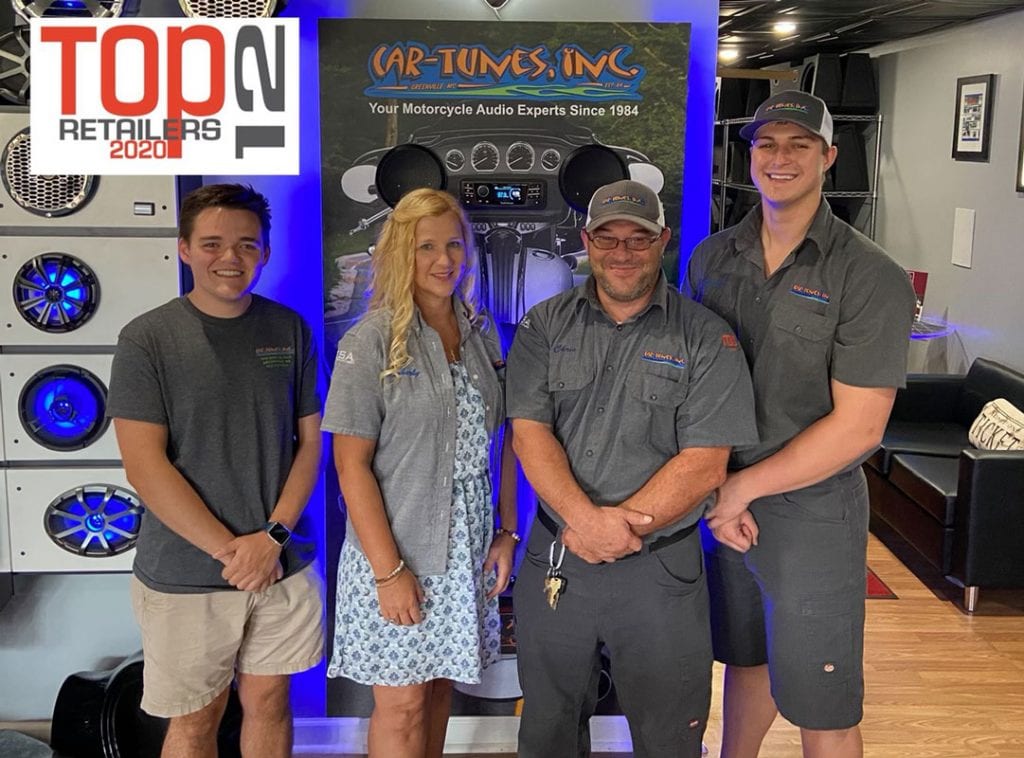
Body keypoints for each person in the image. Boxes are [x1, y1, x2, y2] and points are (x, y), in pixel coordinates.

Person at [685, 90, 917, 758]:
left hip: (811, 515)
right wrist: (715, 490)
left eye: (799, 145)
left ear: (829, 157)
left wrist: (741, 490)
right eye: (766, 144)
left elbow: (860, 427)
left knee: (824, 696)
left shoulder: (869, 276)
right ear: (749, 155)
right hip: (721, 504)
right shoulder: (712, 259)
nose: (780, 158)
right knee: (744, 658)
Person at [506, 179, 758, 758]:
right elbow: (529, 433)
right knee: (546, 728)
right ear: (585, 241)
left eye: (638, 240)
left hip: (660, 568)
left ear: (663, 241)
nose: (622, 253)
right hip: (557, 558)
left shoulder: (706, 337)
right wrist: (583, 522)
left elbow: (705, 463)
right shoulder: (543, 326)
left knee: (671, 732)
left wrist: (615, 529)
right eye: (608, 238)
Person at [107, 183, 325, 757]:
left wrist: (272, 539)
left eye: (247, 245)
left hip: (282, 563)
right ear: (184, 249)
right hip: (188, 574)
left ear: (266, 253)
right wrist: (235, 550)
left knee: (271, 703)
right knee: (197, 722)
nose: (230, 257)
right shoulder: (147, 339)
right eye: (212, 243)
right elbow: (144, 465)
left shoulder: (290, 330)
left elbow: (310, 445)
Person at [321, 188, 517, 758]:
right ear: (399, 252)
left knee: (436, 692)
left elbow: (503, 441)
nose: (443, 259)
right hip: (398, 551)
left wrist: (506, 531)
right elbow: (349, 464)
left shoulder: (481, 334)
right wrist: (388, 572)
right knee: (402, 705)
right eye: (425, 246)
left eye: (454, 244)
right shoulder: (372, 340)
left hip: (467, 549)